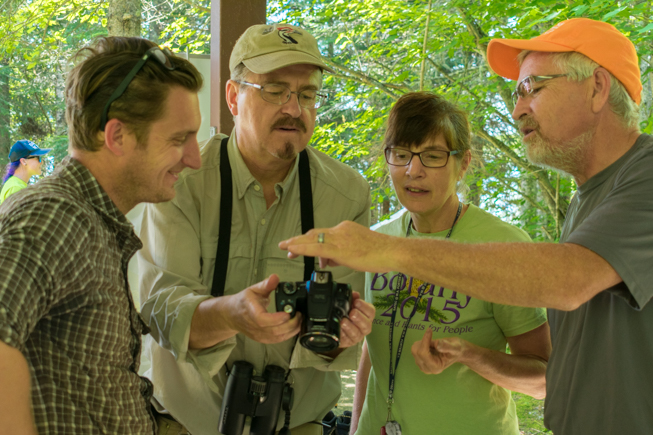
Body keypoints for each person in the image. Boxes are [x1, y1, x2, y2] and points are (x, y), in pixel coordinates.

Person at [280, 18, 653, 435]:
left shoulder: (646, 176)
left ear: (598, 87)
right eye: (400, 154)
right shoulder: (592, 197)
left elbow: (569, 281)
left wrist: (388, 253)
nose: (517, 110)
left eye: (533, 88)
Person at [137, 23, 375, 435]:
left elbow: (331, 340)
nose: (294, 109)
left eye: (307, 94)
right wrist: (232, 315)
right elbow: (162, 309)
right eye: (275, 90)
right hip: (184, 424)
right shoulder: (180, 182)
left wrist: (344, 332)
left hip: (296, 424)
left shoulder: (346, 194)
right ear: (233, 96)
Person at [0, 36, 203, 434]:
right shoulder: (54, 216)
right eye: (179, 139)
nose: (194, 159)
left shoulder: (92, 220)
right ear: (117, 136)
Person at [350, 92, 550, 435]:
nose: (414, 170)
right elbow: (376, 348)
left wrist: (468, 355)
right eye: (401, 155)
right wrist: (355, 428)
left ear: (464, 163)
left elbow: (544, 379)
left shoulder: (503, 247)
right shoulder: (378, 242)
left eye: (432, 156)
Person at [0, 140, 51, 204]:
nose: (41, 162)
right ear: (23, 161)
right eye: (38, 157)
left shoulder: (18, 185)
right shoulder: (16, 188)